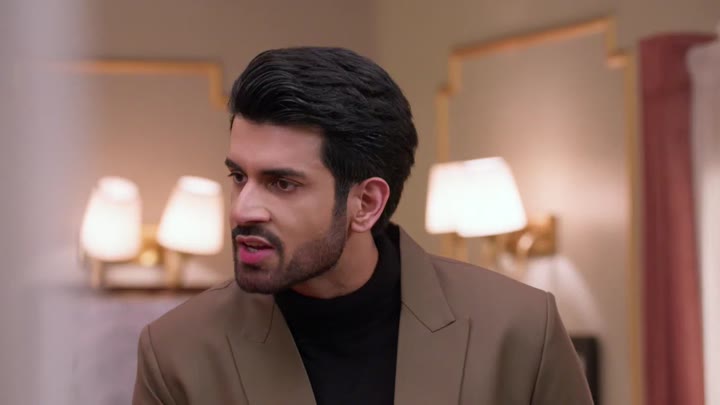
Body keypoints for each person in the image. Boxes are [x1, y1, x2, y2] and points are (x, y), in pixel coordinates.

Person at [132, 47, 593, 405]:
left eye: (282, 183)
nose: (242, 210)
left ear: (366, 203)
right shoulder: (177, 350)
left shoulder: (520, 330)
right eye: (239, 177)